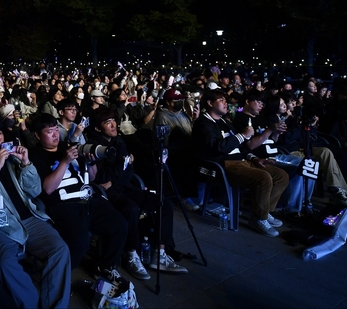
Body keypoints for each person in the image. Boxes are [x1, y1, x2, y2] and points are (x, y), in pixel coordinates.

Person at [0, 114, 71, 309]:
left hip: (28, 218)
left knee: (59, 249)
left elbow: (35, 190)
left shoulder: (14, 158)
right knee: (6, 263)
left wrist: (26, 163)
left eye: (0, 133)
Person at [29, 113, 129, 282]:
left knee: (120, 225)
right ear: (38, 135)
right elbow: (47, 188)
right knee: (80, 241)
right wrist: (64, 162)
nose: (55, 134)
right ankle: (60, 279)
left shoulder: (67, 146)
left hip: (87, 197)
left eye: (55, 130)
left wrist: (90, 162)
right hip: (63, 205)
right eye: (49, 131)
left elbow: (92, 177)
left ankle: (104, 266)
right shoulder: (35, 155)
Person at [87, 107, 187, 277]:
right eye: (107, 122)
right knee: (130, 209)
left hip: (124, 187)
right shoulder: (93, 147)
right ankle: (131, 253)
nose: (113, 125)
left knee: (164, 204)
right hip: (106, 195)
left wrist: (115, 177)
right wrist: (120, 165)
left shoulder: (119, 141)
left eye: (113, 120)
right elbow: (100, 178)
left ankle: (160, 253)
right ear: (98, 128)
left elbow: (128, 172)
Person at [192, 90, 289, 237]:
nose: (226, 104)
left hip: (243, 161)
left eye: (225, 100)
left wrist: (254, 158)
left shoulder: (225, 122)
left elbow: (242, 147)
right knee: (263, 177)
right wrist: (242, 135)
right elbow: (217, 147)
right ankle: (258, 218)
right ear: (210, 103)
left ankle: (265, 211)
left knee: (281, 175)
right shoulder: (203, 123)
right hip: (225, 165)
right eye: (221, 100)